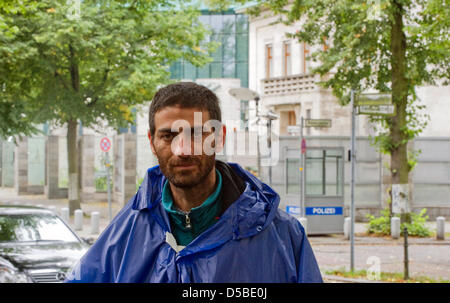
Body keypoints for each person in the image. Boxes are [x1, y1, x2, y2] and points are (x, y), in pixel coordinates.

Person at [65, 82, 323, 283]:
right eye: (168, 136)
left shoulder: (283, 235)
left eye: (196, 133)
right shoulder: (124, 233)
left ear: (219, 137)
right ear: (152, 142)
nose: (183, 149)